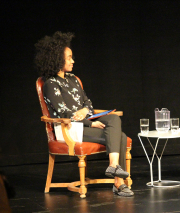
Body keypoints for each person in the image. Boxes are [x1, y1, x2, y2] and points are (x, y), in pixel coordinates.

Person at [34, 31, 134, 197]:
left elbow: (88, 104)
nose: (73, 61)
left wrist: (84, 111)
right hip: (67, 128)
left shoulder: (73, 79)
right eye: (69, 57)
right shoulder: (50, 84)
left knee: (113, 118)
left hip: (84, 123)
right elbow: (64, 113)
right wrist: (90, 123)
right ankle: (118, 182)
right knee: (121, 136)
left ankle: (114, 165)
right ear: (57, 59)